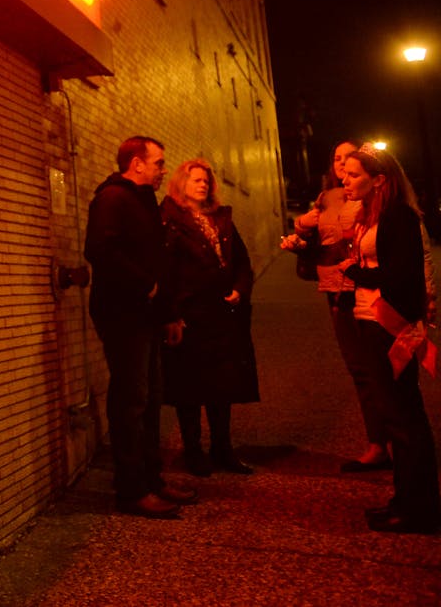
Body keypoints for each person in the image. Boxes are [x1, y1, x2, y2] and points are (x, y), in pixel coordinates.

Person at [85, 136, 197, 519]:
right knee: (131, 400)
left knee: (149, 399)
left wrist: (167, 312)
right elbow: (100, 250)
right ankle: (132, 490)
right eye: (159, 162)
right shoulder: (112, 199)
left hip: (146, 314)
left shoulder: (143, 201)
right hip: (123, 312)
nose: (164, 170)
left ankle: (151, 479)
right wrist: (143, 285)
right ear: (136, 163)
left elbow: (157, 260)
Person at [339, 146, 439, 534]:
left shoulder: (399, 216)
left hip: (389, 323)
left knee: (404, 417)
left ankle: (420, 508)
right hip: (368, 320)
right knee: (394, 415)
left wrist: (354, 272)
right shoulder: (369, 214)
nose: (344, 181)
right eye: (343, 174)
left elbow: (402, 275)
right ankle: (405, 499)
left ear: (380, 179)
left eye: (353, 174)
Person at [283, 140, 391, 473]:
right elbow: (322, 247)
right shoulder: (327, 198)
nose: (341, 164)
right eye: (336, 159)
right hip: (335, 291)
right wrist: (300, 243)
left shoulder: (371, 198)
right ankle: (377, 444)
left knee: (383, 369)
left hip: (369, 292)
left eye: (348, 158)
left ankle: (397, 440)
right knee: (359, 370)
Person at [160, 159, 259, 477]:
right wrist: (172, 313)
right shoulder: (170, 220)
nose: (203, 185)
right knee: (189, 388)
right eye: (196, 180)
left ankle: (222, 448)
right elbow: (166, 270)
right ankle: (193, 451)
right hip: (191, 314)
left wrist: (240, 290)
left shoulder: (221, 219)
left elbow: (242, 262)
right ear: (182, 184)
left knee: (222, 385)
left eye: (206, 180)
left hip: (222, 315)